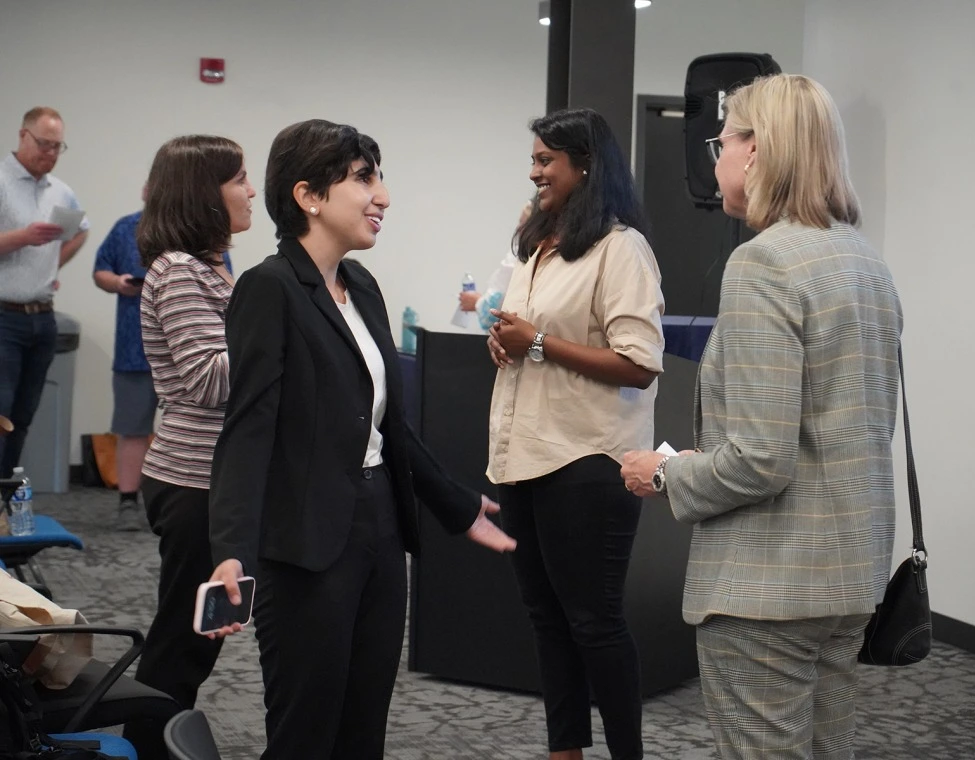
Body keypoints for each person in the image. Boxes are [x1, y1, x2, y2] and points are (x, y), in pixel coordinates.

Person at [205, 119, 516, 760]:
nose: (384, 196)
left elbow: (387, 427)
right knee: (305, 732)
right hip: (307, 544)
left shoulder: (362, 286)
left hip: (378, 530)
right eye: (364, 178)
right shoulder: (269, 289)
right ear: (308, 196)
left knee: (363, 729)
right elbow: (248, 430)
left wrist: (456, 505)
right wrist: (233, 548)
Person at [620, 74, 904, 760]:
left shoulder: (763, 265)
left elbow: (759, 459)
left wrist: (665, 472)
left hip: (768, 591)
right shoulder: (867, 263)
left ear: (755, 152)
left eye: (721, 140)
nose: (714, 158)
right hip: (848, 579)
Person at [485, 108, 665, 760]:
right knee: (548, 619)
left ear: (586, 166)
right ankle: (566, 752)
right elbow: (535, 338)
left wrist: (538, 343)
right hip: (526, 453)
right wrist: (508, 343)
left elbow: (640, 363)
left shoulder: (621, 248)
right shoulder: (538, 243)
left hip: (588, 460)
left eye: (546, 161)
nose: (534, 172)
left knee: (594, 623)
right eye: (533, 159)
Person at [121, 135, 255, 760]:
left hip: (210, 478)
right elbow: (207, 378)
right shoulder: (177, 269)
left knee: (195, 636)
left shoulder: (206, 268)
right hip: (192, 479)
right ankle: (149, 745)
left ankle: (153, 738)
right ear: (205, 194)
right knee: (183, 639)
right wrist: (285, 342)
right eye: (239, 180)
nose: (252, 191)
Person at [92, 190, 235, 532]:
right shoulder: (127, 229)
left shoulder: (207, 247)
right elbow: (101, 270)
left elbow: (222, 293)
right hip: (134, 348)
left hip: (195, 346)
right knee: (133, 426)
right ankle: (128, 502)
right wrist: (118, 283)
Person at [0, 107, 88, 478]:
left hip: (43, 318)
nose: (50, 154)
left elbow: (81, 229)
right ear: (23, 136)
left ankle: (3, 498)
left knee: (22, 415)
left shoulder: (61, 191)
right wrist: (22, 238)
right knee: (0, 413)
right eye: (43, 144)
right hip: (3, 317)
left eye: (57, 147)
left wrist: (53, 268)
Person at [458, 197, 535, 330]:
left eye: (522, 223)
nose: (517, 229)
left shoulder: (519, 257)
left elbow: (496, 309)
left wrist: (476, 302)